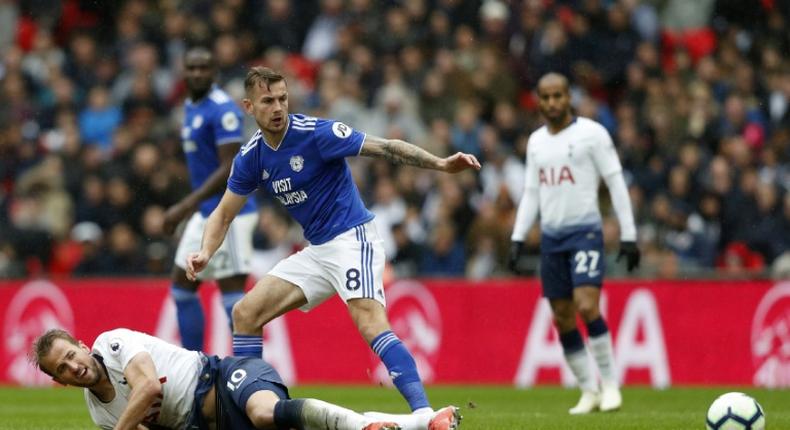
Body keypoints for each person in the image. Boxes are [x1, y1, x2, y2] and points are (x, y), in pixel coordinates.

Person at [186, 67, 480, 415]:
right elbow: (222, 214)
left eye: (283, 98)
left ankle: (424, 414)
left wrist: (441, 164)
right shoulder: (252, 156)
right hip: (318, 250)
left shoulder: (315, 133)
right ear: (249, 107)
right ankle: (249, 410)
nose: (278, 107)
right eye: (268, 101)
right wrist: (206, 251)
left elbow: (384, 147)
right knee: (245, 313)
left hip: (353, 237)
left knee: (369, 321)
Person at [508, 73, 640, 414]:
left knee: (586, 304)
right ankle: (588, 390)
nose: (552, 103)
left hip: (585, 233)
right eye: (546, 97)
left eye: (558, 96)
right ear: (538, 101)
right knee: (562, 316)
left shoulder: (592, 134)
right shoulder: (536, 142)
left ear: (570, 98)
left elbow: (615, 181)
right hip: (552, 237)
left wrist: (628, 234)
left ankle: (611, 385)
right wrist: (518, 237)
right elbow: (531, 192)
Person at [31, 328, 462, 430]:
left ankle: (372, 425)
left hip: (222, 376)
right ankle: (423, 422)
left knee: (264, 412)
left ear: (83, 345)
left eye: (71, 355)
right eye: (62, 370)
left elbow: (149, 388)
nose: (73, 367)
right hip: (209, 425)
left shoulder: (112, 343)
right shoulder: (99, 413)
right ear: (61, 382)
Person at [164, 46, 258, 351]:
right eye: (192, 68)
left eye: (204, 68)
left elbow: (230, 166)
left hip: (231, 213)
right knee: (182, 288)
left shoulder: (222, 109)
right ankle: (195, 367)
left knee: (233, 299)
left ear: (215, 72)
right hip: (206, 213)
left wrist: (184, 205)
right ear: (184, 72)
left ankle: (253, 374)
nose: (197, 73)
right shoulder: (192, 106)